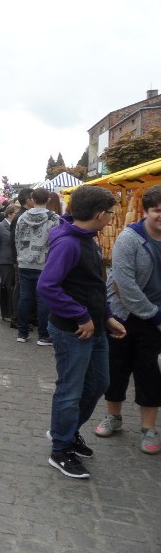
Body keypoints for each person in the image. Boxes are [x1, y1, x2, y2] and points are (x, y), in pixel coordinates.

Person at [38, 185, 126, 479]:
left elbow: (93, 286)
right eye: (111, 213)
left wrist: (107, 316)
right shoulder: (69, 243)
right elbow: (47, 286)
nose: (112, 218)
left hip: (94, 326)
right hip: (72, 330)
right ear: (100, 214)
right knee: (70, 390)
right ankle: (60, 450)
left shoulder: (89, 240)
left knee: (99, 382)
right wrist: (80, 316)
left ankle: (67, 431)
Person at [94, 185, 161, 455]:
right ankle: (114, 416)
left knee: (150, 372)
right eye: (157, 210)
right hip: (123, 314)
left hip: (156, 317)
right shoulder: (129, 238)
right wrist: (155, 314)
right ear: (145, 211)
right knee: (117, 367)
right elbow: (124, 284)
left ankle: (149, 428)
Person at [14, 188, 60, 345]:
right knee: (42, 299)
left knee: (25, 297)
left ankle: (22, 332)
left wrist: (20, 255)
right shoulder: (54, 218)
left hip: (24, 261)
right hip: (44, 263)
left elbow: (17, 238)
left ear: (32, 199)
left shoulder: (21, 217)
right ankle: (43, 335)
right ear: (48, 199)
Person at [0, 204, 20, 322]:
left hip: (16, 261)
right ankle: (6, 313)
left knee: (14, 288)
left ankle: (14, 312)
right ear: (9, 214)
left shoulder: (17, 226)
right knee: (6, 287)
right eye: (16, 214)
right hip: (5, 261)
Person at [10, 188, 35, 327]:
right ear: (28, 201)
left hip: (23, 258)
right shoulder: (21, 216)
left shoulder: (24, 215)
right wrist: (17, 258)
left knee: (23, 289)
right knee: (19, 289)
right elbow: (14, 239)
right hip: (20, 259)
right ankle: (16, 319)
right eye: (33, 198)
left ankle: (23, 318)